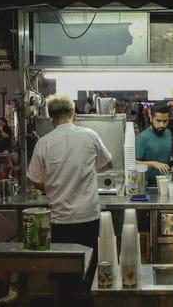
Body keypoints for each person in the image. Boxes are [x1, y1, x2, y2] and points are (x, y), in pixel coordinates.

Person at [27, 94, 112, 278]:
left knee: (64, 274)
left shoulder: (44, 142)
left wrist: (54, 185)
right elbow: (108, 163)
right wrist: (86, 171)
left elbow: (36, 181)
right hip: (88, 217)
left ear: (51, 118)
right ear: (74, 115)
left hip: (60, 221)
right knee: (89, 273)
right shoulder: (90, 135)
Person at [135, 103, 172, 186]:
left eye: (165, 121)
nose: (162, 125)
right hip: (147, 185)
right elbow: (133, 163)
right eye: (158, 121)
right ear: (151, 119)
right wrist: (153, 164)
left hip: (165, 182)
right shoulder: (143, 137)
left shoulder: (168, 133)